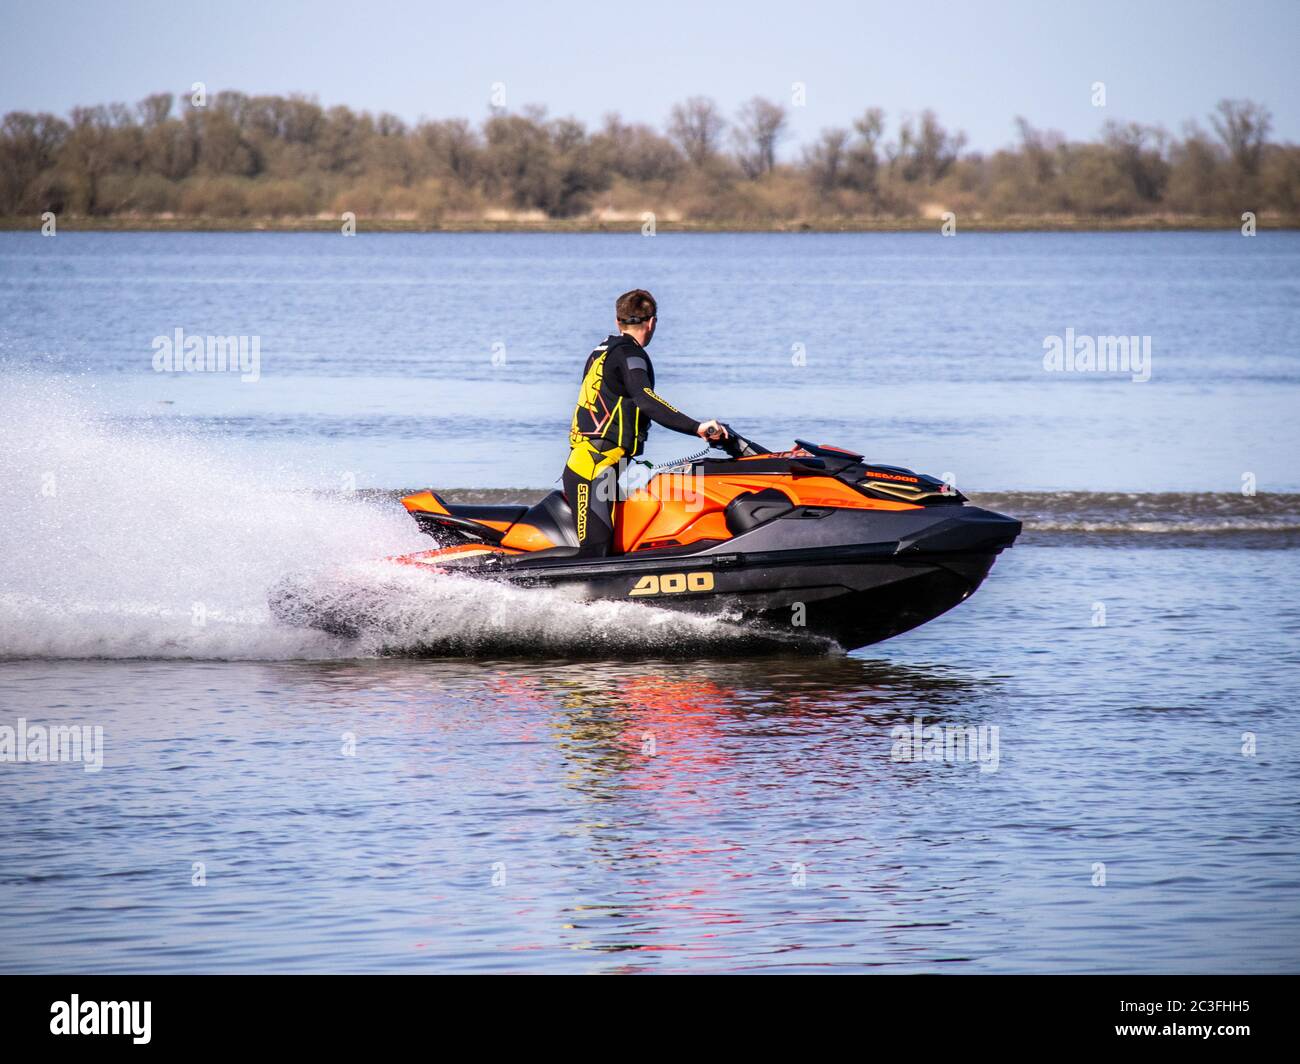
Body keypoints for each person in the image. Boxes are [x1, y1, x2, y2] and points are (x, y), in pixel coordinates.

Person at [562, 289, 726, 557]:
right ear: (652, 323)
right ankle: (510, 580)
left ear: (618, 321)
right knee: (595, 552)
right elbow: (646, 400)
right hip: (593, 465)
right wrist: (696, 427)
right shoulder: (630, 354)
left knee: (612, 549)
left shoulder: (602, 351)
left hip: (599, 462)